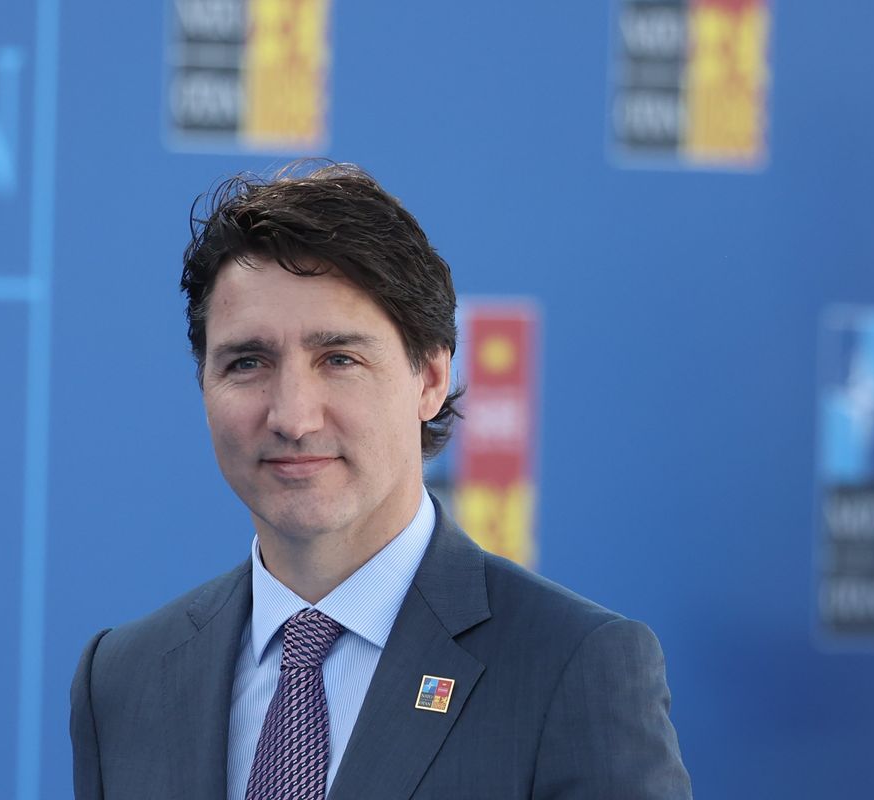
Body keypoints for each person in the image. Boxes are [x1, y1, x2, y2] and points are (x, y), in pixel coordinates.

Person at [70, 163, 692, 799]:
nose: (292, 417)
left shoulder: (571, 668)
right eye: (248, 362)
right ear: (204, 382)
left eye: (339, 359)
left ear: (429, 379)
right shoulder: (122, 680)